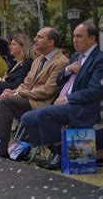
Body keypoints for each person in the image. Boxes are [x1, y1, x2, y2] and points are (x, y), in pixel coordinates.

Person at [21, 23, 103, 170]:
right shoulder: (77, 57)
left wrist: (68, 99)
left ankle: (60, 156)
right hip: (64, 103)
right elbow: (59, 80)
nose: (75, 40)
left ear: (92, 39)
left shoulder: (99, 59)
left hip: (82, 106)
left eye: (79, 36)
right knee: (28, 118)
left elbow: (96, 90)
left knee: (44, 114)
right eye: (73, 36)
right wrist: (67, 69)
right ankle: (58, 152)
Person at [0, 27, 69, 158]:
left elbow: (48, 90)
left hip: (42, 102)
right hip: (28, 98)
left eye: (39, 37)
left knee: (6, 102)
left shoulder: (61, 62)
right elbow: (26, 83)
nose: (35, 39)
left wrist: (20, 93)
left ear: (51, 42)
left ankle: (3, 148)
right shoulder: (38, 60)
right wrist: (13, 91)